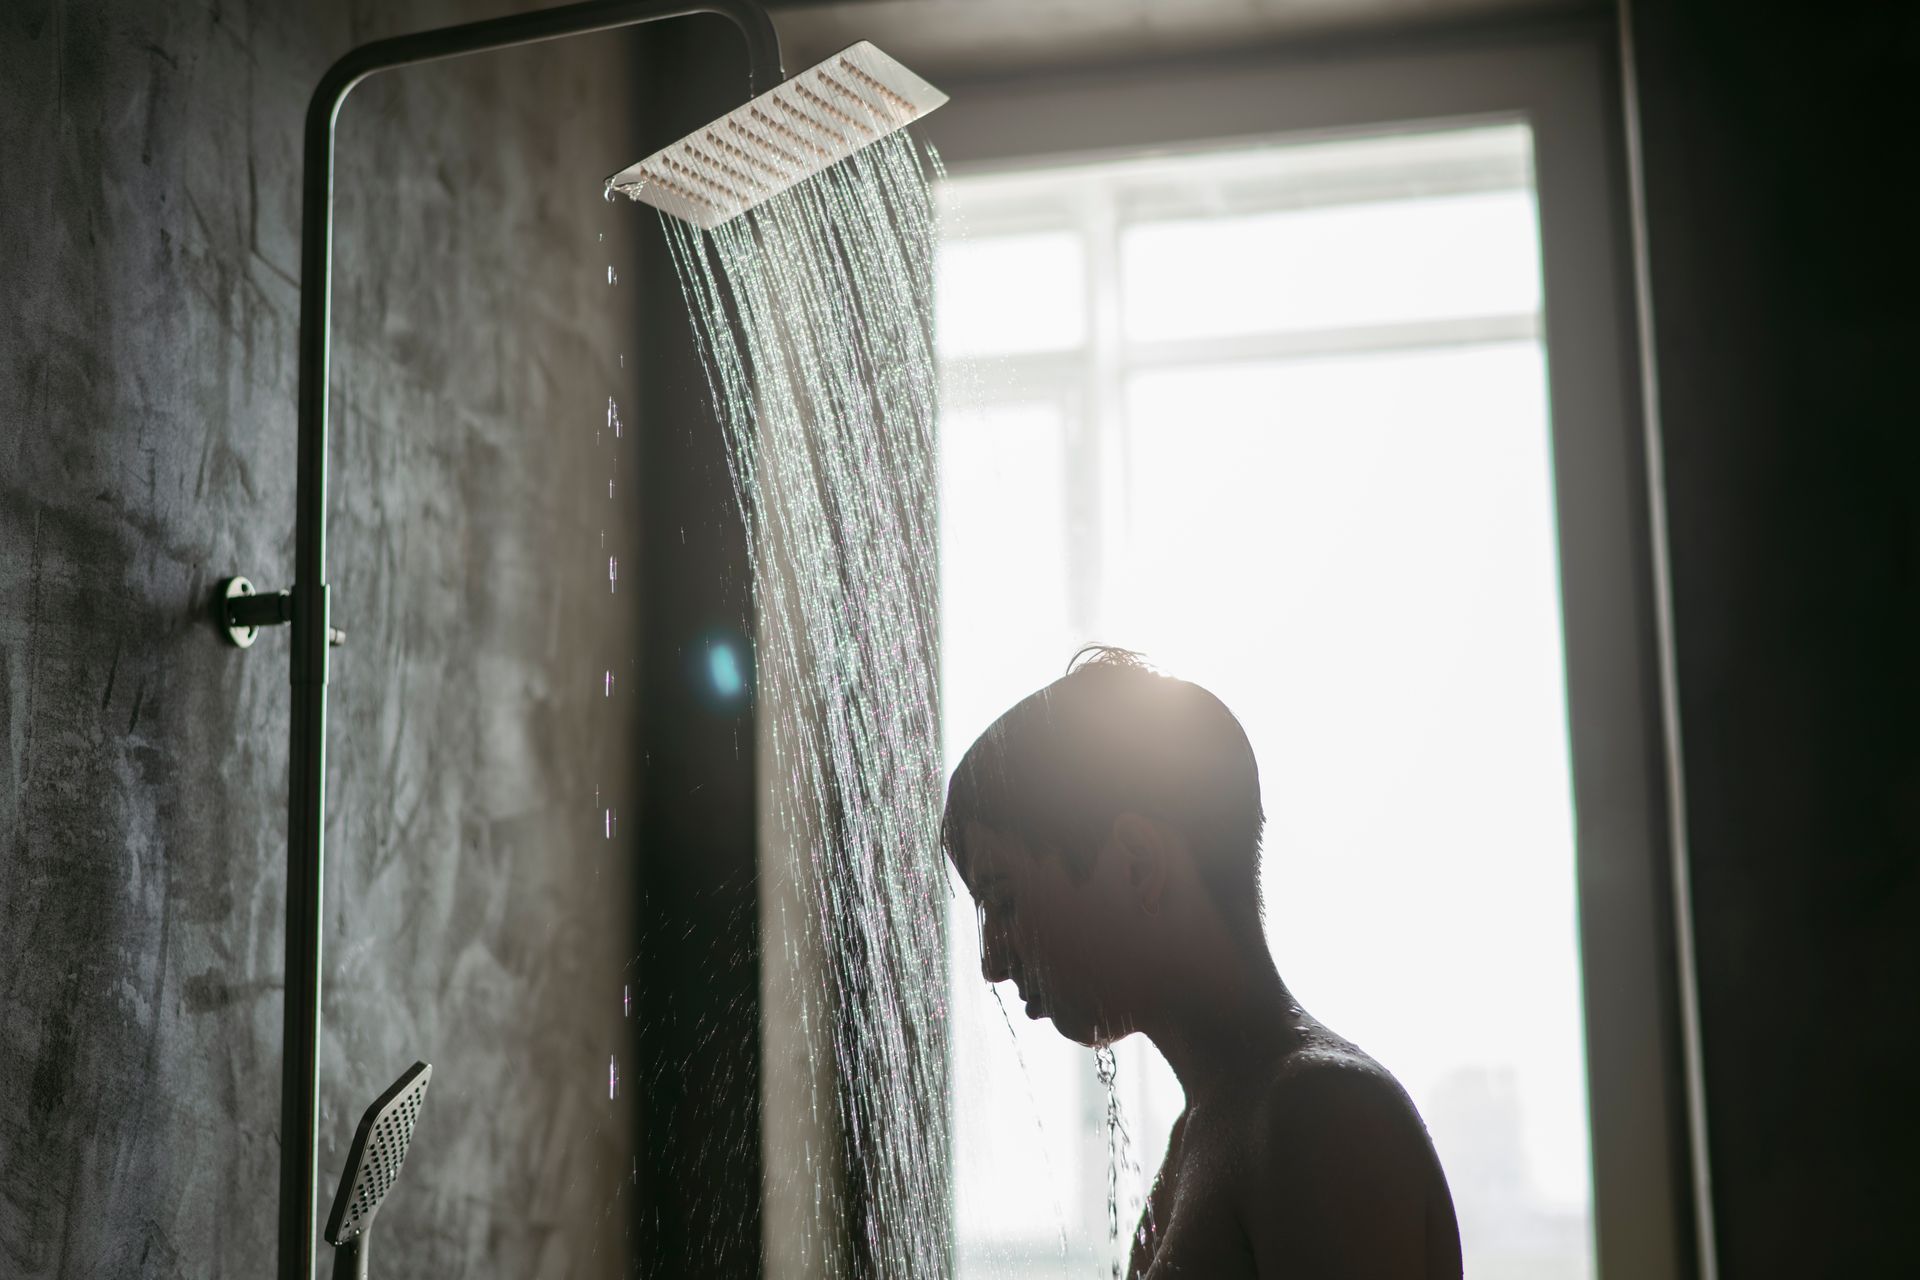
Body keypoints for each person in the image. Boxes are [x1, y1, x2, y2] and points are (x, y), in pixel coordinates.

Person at [943, 647, 1463, 1279]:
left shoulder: (1322, 1119)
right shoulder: (1211, 1131)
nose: (992, 960)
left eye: (1002, 899)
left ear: (1138, 863)